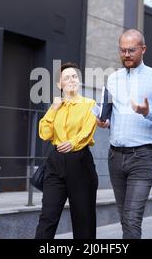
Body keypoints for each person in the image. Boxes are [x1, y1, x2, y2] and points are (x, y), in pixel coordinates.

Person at [97, 29, 152, 239]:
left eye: (131, 50)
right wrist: (101, 120)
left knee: (133, 219)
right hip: (115, 157)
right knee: (125, 218)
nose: (126, 55)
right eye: (122, 50)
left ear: (143, 49)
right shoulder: (113, 79)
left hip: (143, 158)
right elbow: (103, 112)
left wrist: (148, 112)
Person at [35, 62, 98, 239]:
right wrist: (53, 108)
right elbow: (45, 133)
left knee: (83, 221)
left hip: (80, 161)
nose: (72, 80)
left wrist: (73, 143)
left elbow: (87, 131)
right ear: (59, 84)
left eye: (75, 76)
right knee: (47, 217)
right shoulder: (55, 107)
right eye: (66, 77)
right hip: (55, 164)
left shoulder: (89, 104)